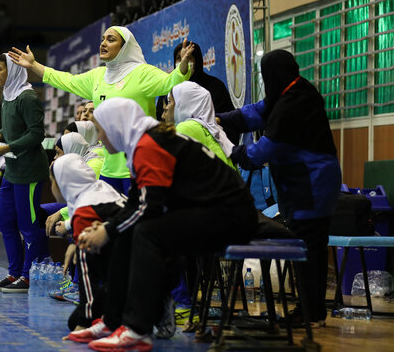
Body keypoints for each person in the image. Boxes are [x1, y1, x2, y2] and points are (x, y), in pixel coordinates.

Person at [70, 98, 258, 351]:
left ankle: (137, 328)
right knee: (126, 231)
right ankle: (112, 321)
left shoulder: (149, 144)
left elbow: (149, 209)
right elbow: (134, 205)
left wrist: (107, 230)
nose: (100, 137)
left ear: (116, 126)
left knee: (146, 231)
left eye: (101, 129)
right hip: (213, 212)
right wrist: (107, 227)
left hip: (231, 216)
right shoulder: (142, 142)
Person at [218, 49, 342, 326]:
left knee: (308, 246)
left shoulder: (294, 103)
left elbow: (263, 151)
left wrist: (231, 150)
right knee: (312, 245)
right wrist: (222, 119)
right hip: (310, 180)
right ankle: (313, 311)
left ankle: (310, 313)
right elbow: (257, 112)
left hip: (311, 183)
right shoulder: (290, 90)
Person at [9, 26, 195, 195]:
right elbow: (67, 80)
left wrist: (183, 66)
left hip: (139, 164)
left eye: (111, 39)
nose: (104, 43)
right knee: (109, 221)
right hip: (108, 168)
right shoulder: (98, 76)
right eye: (103, 39)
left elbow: (170, 83)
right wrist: (34, 65)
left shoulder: (142, 73)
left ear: (124, 47)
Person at [0, 53, 49, 293]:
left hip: (29, 172)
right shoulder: (8, 94)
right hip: (12, 170)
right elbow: (13, 127)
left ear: (13, 71)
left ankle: (29, 276)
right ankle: (14, 274)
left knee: (28, 226)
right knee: (4, 220)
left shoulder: (28, 97)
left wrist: (6, 147)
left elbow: (36, 134)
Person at [51, 154, 126, 332]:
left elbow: (88, 274)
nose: (52, 187)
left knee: (83, 251)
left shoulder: (85, 210)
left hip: (130, 278)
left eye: (52, 181)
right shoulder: (101, 189)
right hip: (148, 269)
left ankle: (137, 310)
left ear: (63, 182)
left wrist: (83, 324)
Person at [164, 81, 235, 168]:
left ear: (182, 104)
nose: (167, 107)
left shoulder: (186, 128)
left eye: (170, 101)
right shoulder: (210, 127)